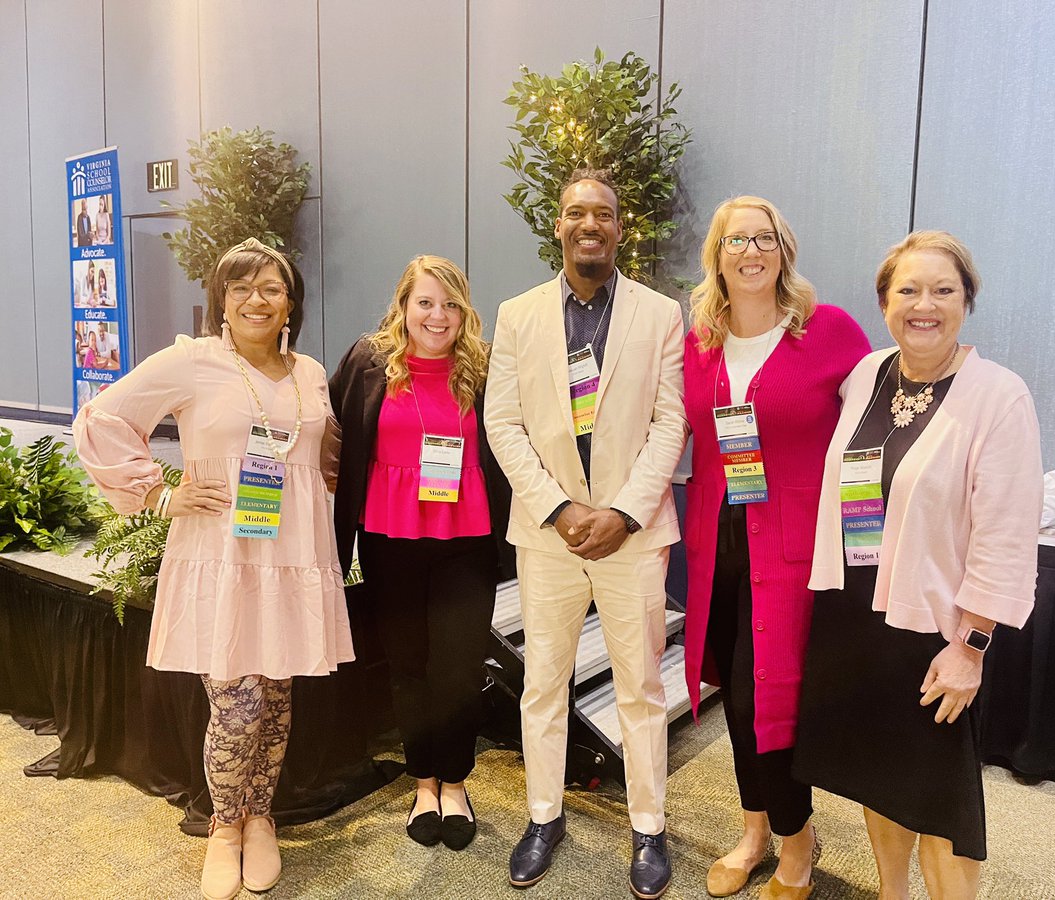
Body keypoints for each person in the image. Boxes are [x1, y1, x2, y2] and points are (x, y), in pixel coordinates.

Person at [73, 237, 354, 900]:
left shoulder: (310, 371)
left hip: (291, 554)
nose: (258, 299)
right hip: (221, 554)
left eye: (272, 287)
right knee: (239, 700)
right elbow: (101, 418)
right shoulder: (192, 361)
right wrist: (157, 492)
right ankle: (225, 827)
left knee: (277, 695)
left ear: (292, 302)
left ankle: (262, 817)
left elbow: (328, 453)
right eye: (242, 287)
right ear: (221, 300)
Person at [791, 231, 1043, 899]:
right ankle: (891, 893)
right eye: (908, 290)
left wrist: (971, 645)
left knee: (940, 803)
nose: (923, 305)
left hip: (935, 630)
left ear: (967, 301)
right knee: (881, 777)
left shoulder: (998, 395)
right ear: (883, 302)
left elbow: (1006, 535)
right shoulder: (867, 375)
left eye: (943, 290)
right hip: (857, 616)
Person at [484, 167, 687, 899]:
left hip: (632, 536)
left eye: (603, 213)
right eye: (577, 213)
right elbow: (502, 422)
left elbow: (671, 421)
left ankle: (648, 826)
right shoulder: (518, 314)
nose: (589, 224)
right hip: (549, 536)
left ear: (619, 229)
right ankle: (544, 817)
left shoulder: (662, 314)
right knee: (543, 683)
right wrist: (561, 509)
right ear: (560, 227)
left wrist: (623, 512)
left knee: (639, 685)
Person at [682, 197, 870, 900]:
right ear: (718, 253)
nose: (751, 251)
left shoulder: (829, 331)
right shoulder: (699, 339)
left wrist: (867, 541)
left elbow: (868, 438)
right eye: (737, 240)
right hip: (719, 543)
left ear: (783, 250)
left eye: (765, 239)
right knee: (737, 699)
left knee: (773, 702)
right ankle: (755, 831)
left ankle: (797, 845)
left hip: (792, 548)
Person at [328, 255, 513, 852]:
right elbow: (329, 432)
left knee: (456, 667)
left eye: (450, 305)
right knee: (407, 665)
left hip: (467, 538)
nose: (438, 317)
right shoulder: (368, 361)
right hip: (390, 535)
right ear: (403, 306)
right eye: (426, 303)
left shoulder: (483, 369)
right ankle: (423, 782)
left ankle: (455, 782)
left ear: (465, 312)